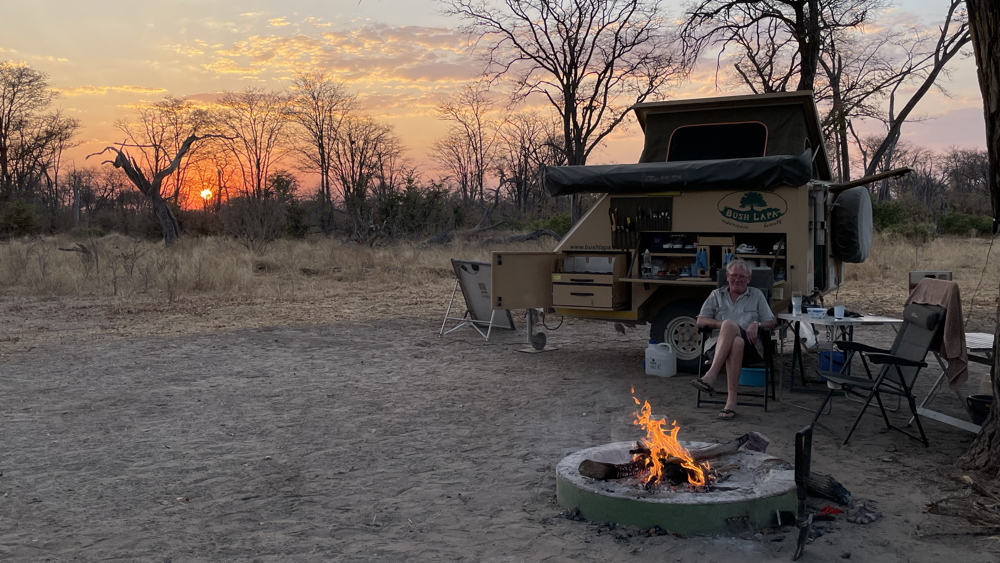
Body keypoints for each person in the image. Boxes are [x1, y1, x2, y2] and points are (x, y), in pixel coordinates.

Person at [689, 259, 775, 419]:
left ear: (749, 279)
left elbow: (771, 322)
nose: (738, 279)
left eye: (742, 276)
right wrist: (722, 325)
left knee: (732, 329)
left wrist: (756, 324)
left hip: (750, 348)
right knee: (735, 341)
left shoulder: (756, 295)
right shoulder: (716, 295)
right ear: (727, 276)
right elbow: (700, 320)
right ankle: (731, 402)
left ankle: (711, 375)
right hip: (717, 347)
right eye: (734, 275)